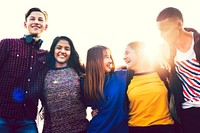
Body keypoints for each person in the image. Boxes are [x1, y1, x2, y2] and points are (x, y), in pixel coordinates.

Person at [0, 7, 48, 133]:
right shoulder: (8, 44)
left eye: (40, 20)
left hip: (27, 119)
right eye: (32, 19)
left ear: (45, 26)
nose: (36, 22)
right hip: (2, 114)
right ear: (25, 24)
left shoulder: (47, 56)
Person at [156, 7, 200, 133]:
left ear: (179, 25)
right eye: (160, 31)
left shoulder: (197, 43)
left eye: (165, 30)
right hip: (188, 111)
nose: (162, 35)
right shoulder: (168, 52)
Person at [123, 41, 175, 133]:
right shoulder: (125, 78)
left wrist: (159, 58)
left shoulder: (163, 72)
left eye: (127, 52)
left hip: (165, 127)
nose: (124, 57)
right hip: (137, 128)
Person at [42, 36, 89, 133]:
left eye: (67, 49)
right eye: (59, 47)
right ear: (53, 50)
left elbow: (92, 94)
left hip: (79, 130)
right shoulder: (44, 72)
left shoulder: (79, 72)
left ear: (71, 53)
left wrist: (97, 108)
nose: (62, 51)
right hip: (51, 130)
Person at [83, 45, 129, 133]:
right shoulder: (85, 83)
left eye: (110, 56)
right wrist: (93, 112)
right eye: (106, 57)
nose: (110, 60)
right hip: (97, 129)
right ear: (95, 61)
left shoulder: (121, 76)